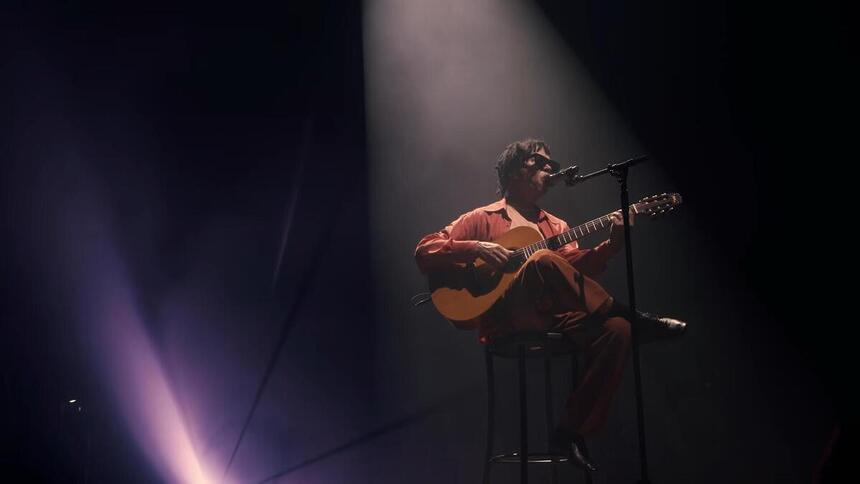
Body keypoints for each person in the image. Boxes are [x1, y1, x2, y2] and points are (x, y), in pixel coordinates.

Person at [414, 138, 686, 471]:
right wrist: (477, 248)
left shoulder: (556, 226)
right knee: (543, 257)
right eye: (539, 162)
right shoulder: (482, 218)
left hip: (551, 318)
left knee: (618, 330)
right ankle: (628, 312)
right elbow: (425, 250)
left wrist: (611, 246)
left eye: (552, 165)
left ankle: (569, 431)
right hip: (504, 318)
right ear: (514, 169)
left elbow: (573, 272)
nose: (550, 169)